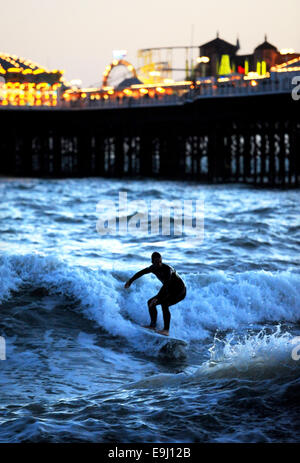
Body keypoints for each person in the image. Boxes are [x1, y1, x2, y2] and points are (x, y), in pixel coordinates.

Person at [124, 252, 186, 336]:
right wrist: (130, 281)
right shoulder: (152, 268)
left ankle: (166, 330)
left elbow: (166, 284)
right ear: (152, 262)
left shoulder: (168, 269)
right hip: (169, 290)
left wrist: (157, 297)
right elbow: (141, 272)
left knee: (165, 304)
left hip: (180, 291)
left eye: (160, 261)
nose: (159, 264)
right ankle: (152, 325)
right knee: (150, 303)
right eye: (156, 262)